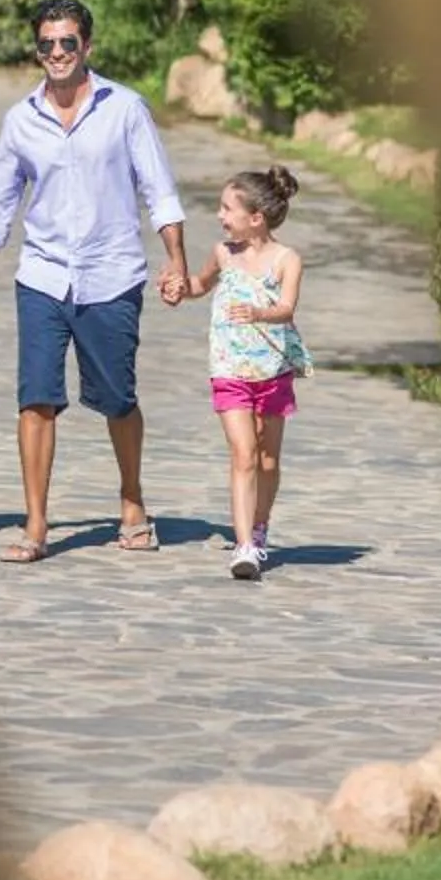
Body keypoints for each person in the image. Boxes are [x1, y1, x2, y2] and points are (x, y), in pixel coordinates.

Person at [0, 0, 188, 565]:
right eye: (47, 44)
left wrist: (176, 260)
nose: (58, 52)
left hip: (111, 274)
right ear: (36, 50)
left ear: (87, 46)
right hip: (42, 275)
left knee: (116, 398)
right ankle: (36, 522)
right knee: (36, 399)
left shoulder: (126, 109)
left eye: (68, 42)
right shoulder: (20, 120)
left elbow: (158, 189)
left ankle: (133, 499)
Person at [178, 166, 312, 580]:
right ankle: (245, 547)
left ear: (256, 218)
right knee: (243, 454)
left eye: (227, 209)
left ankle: (259, 525)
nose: (220, 216)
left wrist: (258, 312)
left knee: (268, 461)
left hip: (272, 370)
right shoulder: (223, 253)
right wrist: (179, 287)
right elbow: (201, 284)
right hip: (229, 368)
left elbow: (287, 308)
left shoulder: (287, 260)